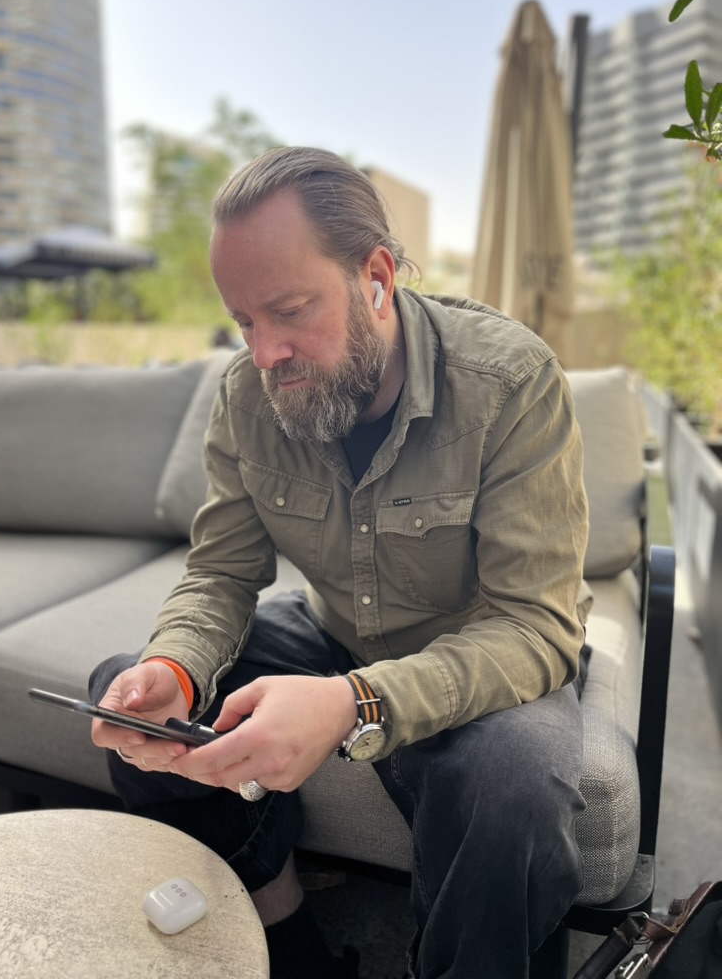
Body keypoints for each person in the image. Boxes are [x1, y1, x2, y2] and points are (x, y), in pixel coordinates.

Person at [90, 146, 590, 979]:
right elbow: (219, 575)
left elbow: (536, 627)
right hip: (331, 630)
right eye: (245, 321)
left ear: (378, 278)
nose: (265, 353)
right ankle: (291, 947)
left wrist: (355, 702)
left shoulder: (510, 382)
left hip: (471, 646)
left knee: (516, 781)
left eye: (289, 310)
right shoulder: (245, 398)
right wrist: (175, 665)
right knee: (134, 696)